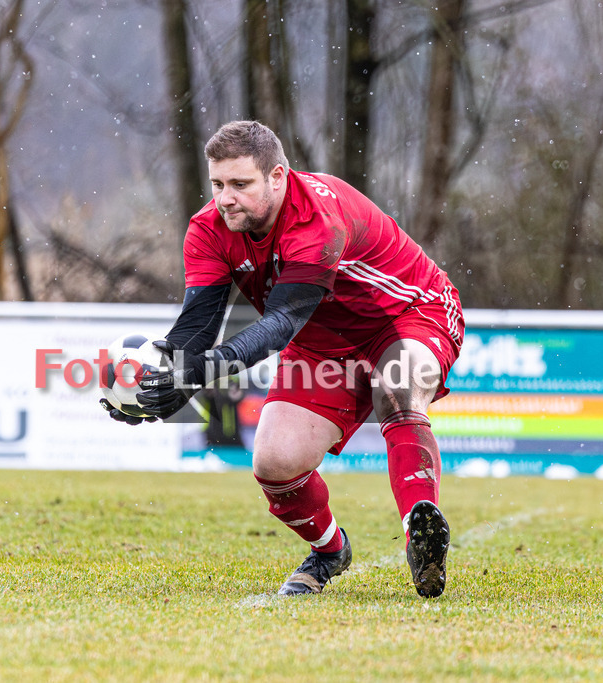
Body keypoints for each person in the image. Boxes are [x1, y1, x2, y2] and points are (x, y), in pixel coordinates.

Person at [100, 120, 464, 599]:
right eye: (218, 184)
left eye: (240, 184)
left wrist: (200, 373)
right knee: (273, 462)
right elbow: (197, 329)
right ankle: (330, 550)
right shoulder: (208, 230)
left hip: (407, 314)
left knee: (396, 389)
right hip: (320, 340)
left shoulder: (317, 219)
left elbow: (279, 326)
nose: (225, 198)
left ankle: (421, 530)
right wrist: (165, 388)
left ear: (278, 177)